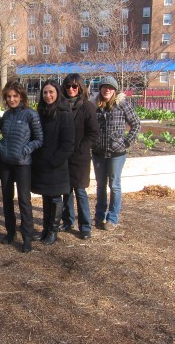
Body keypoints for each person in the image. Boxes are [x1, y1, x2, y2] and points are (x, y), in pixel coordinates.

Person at [0, 80, 43, 253]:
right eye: (8, 97)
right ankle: (10, 233)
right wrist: (1, 145)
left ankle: (27, 237)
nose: (12, 99)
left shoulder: (31, 115)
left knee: (24, 201)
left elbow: (39, 139)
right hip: (6, 163)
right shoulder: (7, 115)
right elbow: (0, 130)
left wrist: (27, 149)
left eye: (15, 96)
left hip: (23, 163)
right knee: (7, 199)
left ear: (21, 96)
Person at [91, 76, 141, 231]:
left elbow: (136, 123)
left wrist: (126, 142)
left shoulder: (122, 104)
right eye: (104, 87)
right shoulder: (95, 106)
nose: (107, 90)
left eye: (110, 87)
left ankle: (112, 217)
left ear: (115, 90)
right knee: (100, 185)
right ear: (100, 89)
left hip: (116, 153)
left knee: (114, 185)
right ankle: (99, 216)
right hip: (98, 152)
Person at [31, 79, 75, 245]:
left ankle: (53, 231)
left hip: (56, 165)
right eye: (45, 93)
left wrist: (54, 161)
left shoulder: (64, 114)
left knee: (55, 198)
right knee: (46, 198)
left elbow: (68, 144)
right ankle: (45, 228)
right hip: (42, 163)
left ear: (57, 94)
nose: (48, 95)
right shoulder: (41, 113)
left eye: (51, 92)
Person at [60, 73, 99, 240]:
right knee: (66, 191)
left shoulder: (87, 107)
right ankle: (68, 221)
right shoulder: (61, 105)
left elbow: (93, 133)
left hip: (80, 157)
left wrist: (82, 148)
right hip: (64, 156)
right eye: (68, 86)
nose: (71, 89)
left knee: (80, 191)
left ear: (80, 88)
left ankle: (85, 226)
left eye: (74, 86)